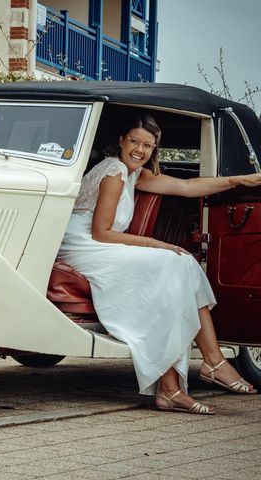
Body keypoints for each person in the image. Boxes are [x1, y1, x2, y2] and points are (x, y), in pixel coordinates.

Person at [58, 113, 261, 415]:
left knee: (184, 266)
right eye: (134, 142)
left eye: (148, 146)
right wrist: (157, 244)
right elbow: (101, 233)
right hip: (81, 245)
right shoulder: (113, 171)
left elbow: (186, 187)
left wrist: (238, 180)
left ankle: (205, 366)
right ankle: (195, 373)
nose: (140, 150)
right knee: (173, 263)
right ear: (121, 141)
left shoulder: (135, 174)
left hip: (99, 244)